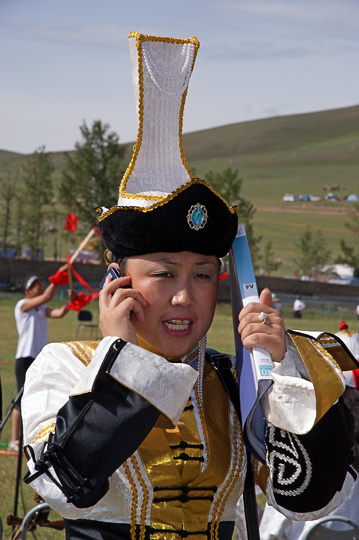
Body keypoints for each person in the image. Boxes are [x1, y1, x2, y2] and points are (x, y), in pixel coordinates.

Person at [21, 32, 356, 540]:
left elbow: (307, 498)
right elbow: (65, 483)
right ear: (118, 278)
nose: (185, 297)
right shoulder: (64, 366)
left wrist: (285, 367)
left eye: (202, 274)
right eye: (163, 272)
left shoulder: (231, 384)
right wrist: (122, 357)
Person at [9, 266, 74, 452]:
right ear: (28, 290)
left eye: (43, 285)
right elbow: (46, 296)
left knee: (36, 398)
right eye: (38, 286)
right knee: (20, 399)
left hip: (38, 358)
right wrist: (57, 279)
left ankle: (31, 437)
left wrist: (72, 303)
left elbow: (59, 313)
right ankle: (14, 440)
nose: (41, 288)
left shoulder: (41, 309)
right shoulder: (21, 305)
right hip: (24, 358)